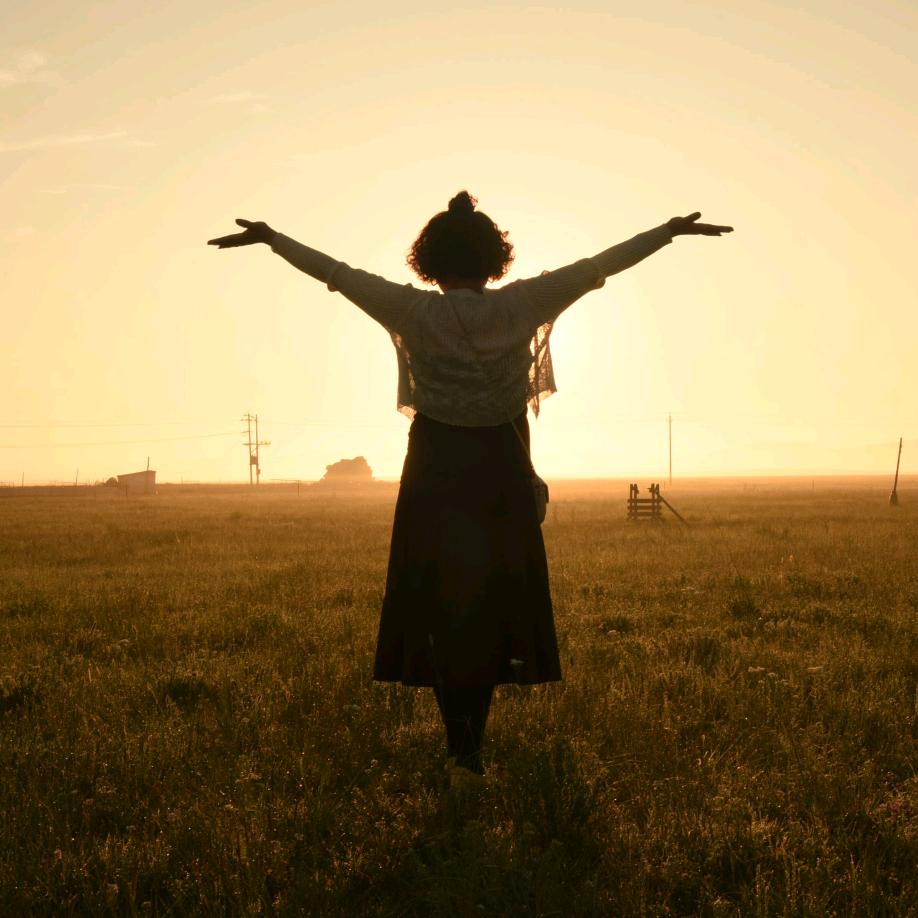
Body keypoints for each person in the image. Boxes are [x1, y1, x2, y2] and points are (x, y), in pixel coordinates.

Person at [208, 193, 732, 786]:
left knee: (439, 603)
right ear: (494, 258)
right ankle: (470, 750)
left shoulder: (410, 310)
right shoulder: (525, 302)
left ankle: (459, 750)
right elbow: (599, 265)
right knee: (492, 605)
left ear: (428, 260)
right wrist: (666, 231)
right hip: (500, 469)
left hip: (434, 467)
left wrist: (273, 238)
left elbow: (335, 273)